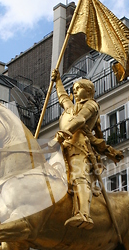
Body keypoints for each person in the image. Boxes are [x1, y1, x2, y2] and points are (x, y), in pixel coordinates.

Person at [51, 68, 123, 230]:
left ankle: (84, 214)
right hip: (63, 148)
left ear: (89, 91)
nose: (75, 92)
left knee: (79, 176)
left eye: (78, 89)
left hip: (80, 147)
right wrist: (58, 81)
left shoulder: (91, 105)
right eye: (74, 90)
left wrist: (62, 133)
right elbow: (63, 98)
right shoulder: (71, 108)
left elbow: (81, 119)